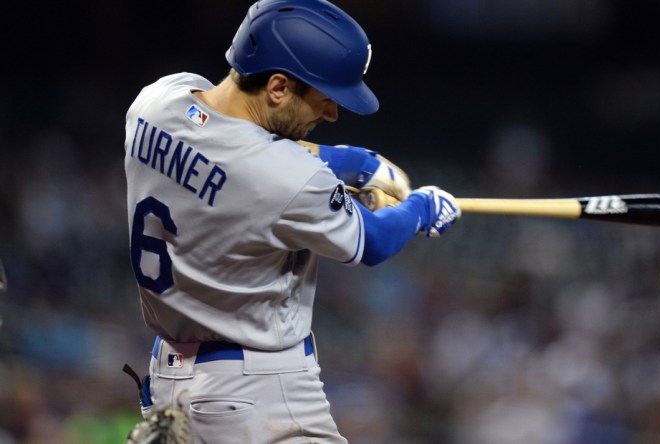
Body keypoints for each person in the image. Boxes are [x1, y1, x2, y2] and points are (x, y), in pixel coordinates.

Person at [122, 0, 461, 442]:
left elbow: (230, 142)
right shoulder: (289, 180)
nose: (332, 114)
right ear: (278, 87)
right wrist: (422, 208)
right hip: (257, 393)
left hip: (170, 379)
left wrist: (346, 160)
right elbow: (374, 240)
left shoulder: (157, 100)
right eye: (325, 99)